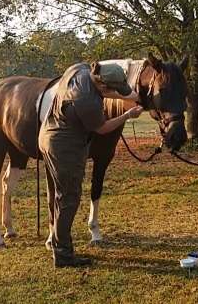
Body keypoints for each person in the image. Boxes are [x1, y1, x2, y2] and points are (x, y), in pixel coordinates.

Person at [38, 61, 143, 268]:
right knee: (69, 198)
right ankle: (63, 256)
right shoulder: (88, 100)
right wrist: (127, 115)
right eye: (114, 90)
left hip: (48, 134)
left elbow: (103, 89)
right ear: (103, 85)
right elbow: (102, 128)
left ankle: (58, 244)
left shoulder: (81, 69)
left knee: (59, 194)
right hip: (65, 146)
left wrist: (130, 96)